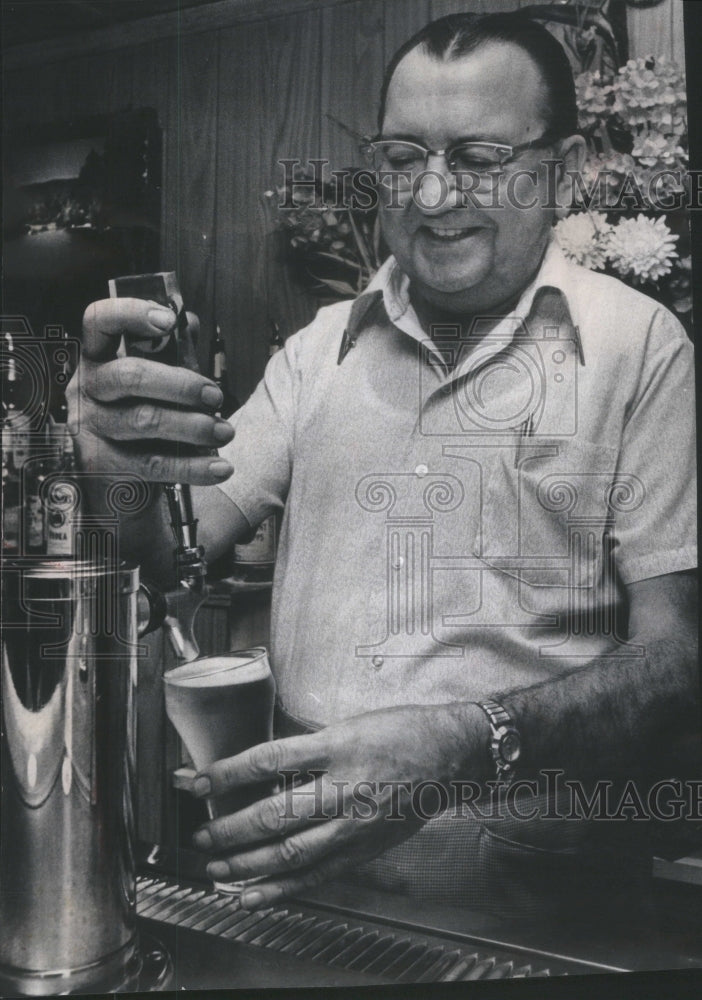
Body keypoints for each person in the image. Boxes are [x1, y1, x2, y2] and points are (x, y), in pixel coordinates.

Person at [69, 11, 697, 919]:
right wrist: (113, 465)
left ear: (559, 172)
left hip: (533, 907)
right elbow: (172, 552)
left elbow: (678, 658)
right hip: (301, 882)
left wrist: (458, 747)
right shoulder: (320, 348)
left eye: (479, 158)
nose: (433, 196)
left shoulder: (641, 346)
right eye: (403, 158)